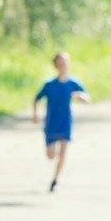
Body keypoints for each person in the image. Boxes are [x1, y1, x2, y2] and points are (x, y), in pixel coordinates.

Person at [32, 51, 91, 192]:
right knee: (51, 156)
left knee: (63, 152)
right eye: (60, 63)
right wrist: (35, 115)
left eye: (65, 63)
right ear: (55, 66)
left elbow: (87, 97)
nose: (63, 66)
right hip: (51, 123)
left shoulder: (73, 83)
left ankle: (55, 181)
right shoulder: (49, 85)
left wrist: (81, 96)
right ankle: (55, 158)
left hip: (66, 122)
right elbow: (37, 99)